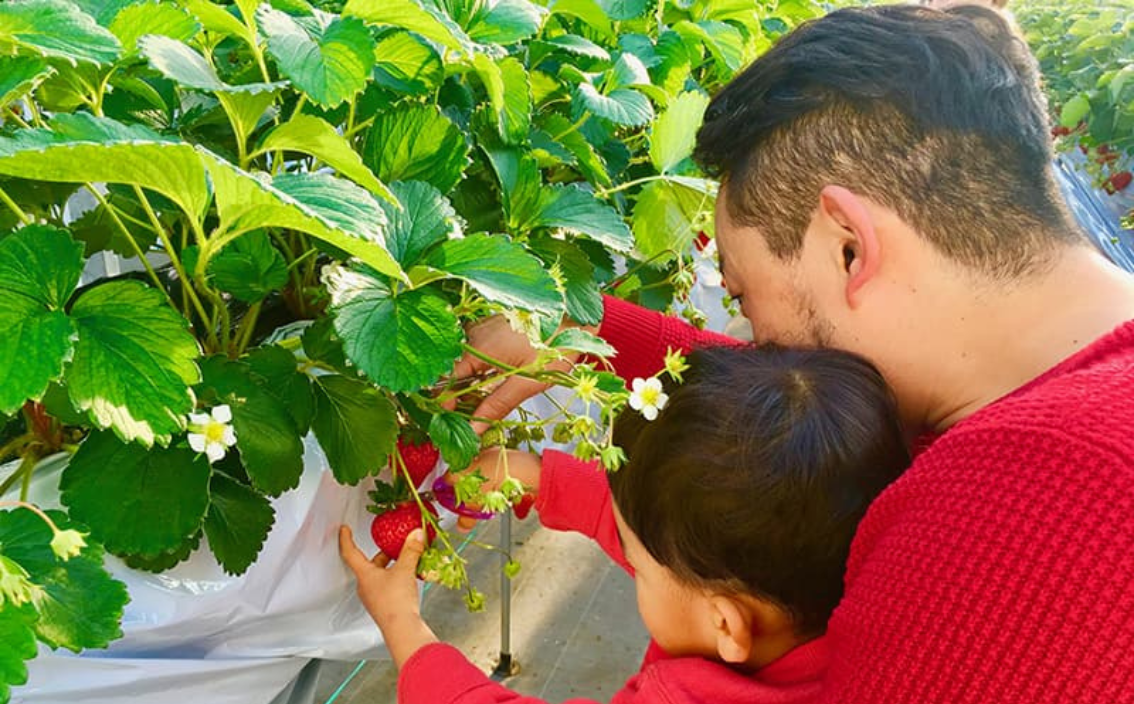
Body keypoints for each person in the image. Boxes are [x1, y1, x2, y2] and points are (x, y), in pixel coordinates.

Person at [447, 4, 1134, 703]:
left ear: (849, 246)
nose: (754, 347)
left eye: (743, 299)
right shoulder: (1044, 400)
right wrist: (580, 329)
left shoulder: (1010, 536)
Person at [340, 344, 910, 703]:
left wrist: (406, 633)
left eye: (635, 569)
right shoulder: (858, 596)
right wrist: (543, 478)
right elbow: (677, 539)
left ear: (727, 625)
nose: (627, 561)